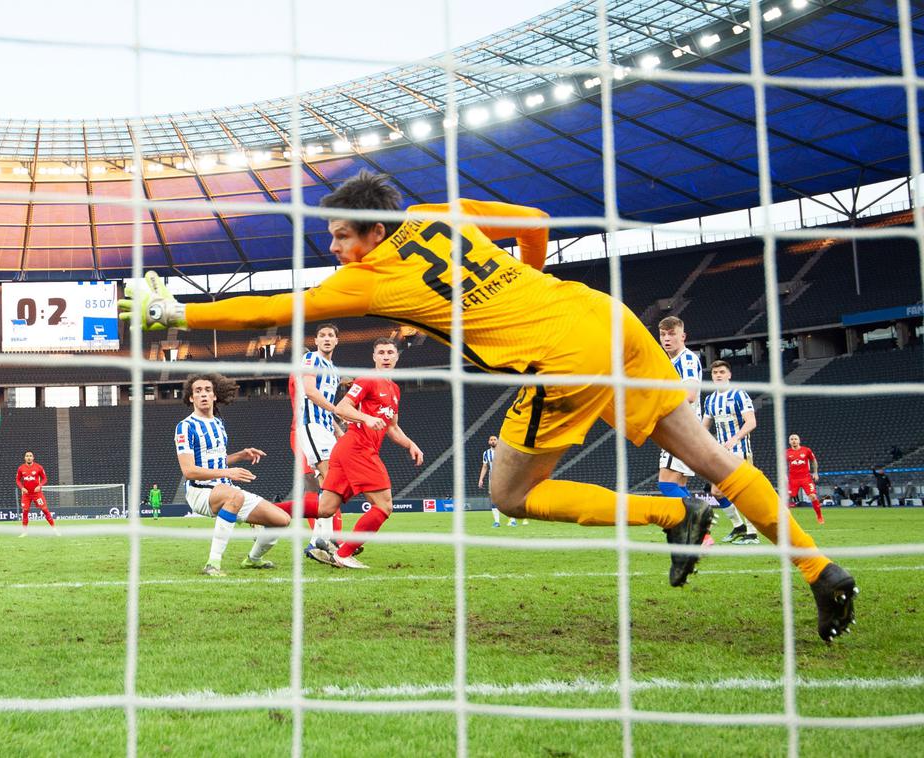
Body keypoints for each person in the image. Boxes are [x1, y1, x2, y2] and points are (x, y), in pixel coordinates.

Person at [120, 170, 856, 642]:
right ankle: (822, 572)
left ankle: (673, 513)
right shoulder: (438, 215)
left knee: (509, 492)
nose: (336, 246)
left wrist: (175, 315)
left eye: (342, 235)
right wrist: (517, 291)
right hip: (607, 318)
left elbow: (280, 307)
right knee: (717, 460)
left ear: (373, 232)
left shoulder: (370, 278)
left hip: (563, 358)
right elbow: (532, 219)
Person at [176, 373, 326, 576]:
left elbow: (216, 461)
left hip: (225, 489)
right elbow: (189, 470)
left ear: (215, 396)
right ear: (191, 398)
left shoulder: (218, 424)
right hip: (200, 492)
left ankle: (253, 560)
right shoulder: (185, 426)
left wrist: (240, 455)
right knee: (235, 495)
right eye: (198, 391)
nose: (203, 394)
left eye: (208, 390)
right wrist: (228, 472)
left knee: (281, 519)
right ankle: (213, 564)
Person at [302, 338, 424, 568]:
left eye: (390, 352)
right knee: (384, 506)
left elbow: (392, 427)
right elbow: (342, 408)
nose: (386, 356)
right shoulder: (368, 379)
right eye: (381, 352)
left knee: (325, 508)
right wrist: (366, 418)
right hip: (358, 448)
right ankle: (344, 553)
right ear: (374, 357)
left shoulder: (394, 390)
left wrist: (410, 444)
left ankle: (266, 513)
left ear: (397, 357)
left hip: (350, 449)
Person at [289, 323, 344, 552]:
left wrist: (338, 429)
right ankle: (324, 539)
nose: (327, 339)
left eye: (331, 335)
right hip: (310, 427)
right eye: (322, 335)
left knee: (329, 484)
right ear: (316, 340)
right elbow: (310, 391)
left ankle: (318, 540)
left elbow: (324, 406)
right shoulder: (311, 359)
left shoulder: (334, 371)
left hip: (325, 429)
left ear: (337, 340)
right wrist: (338, 410)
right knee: (330, 479)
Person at [701, 361, 761, 544]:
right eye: (715, 373)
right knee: (717, 491)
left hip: (740, 450)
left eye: (721, 372)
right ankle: (738, 526)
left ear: (729, 375)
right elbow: (704, 427)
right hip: (720, 452)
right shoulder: (710, 400)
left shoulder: (739, 395)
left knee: (743, 492)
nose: (718, 375)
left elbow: (751, 422)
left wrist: (736, 438)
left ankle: (752, 533)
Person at [656, 317, 701, 500]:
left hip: (682, 429)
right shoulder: (672, 362)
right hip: (687, 429)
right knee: (678, 485)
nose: (667, 338)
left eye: (672, 334)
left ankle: (698, 526)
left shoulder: (686, 360)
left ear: (683, 336)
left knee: (666, 484)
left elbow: (690, 395)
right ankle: (699, 529)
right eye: (663, 334)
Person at [479, 436, 519, 527]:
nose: (493, 441)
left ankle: (512, 520)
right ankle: (497, 522)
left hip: (505, 478)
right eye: (491, 440)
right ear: (488, 442)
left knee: (508, 498)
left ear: (498, 441)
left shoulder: (504, 451)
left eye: (494, 440)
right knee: (494, 500)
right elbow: (485, 467)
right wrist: (481, 479)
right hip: (493, 479)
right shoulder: (486, 453)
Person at [16, 451, 57, 536]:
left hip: (37, 494)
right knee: (25, 512)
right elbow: (17, 480)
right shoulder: (21, 468)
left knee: (45, 510)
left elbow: (45, 479)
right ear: (25, 458)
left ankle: (54, 529)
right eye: (27, 456)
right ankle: (24, 532)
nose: (29, 457)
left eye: (30, 456)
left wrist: (40, 485)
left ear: (33, 458)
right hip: (26, 495)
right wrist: (22, 488)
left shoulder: (39, 467)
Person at [787, 434, 824, 524]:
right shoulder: (786, 452)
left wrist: (815, 472)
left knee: (813, 496)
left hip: (805, 478)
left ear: (799, 441)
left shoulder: (806, 450)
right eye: (792, 439)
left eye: (795, 439)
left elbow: (813, 460)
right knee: (787, 499)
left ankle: (819, 516)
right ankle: (785, 520)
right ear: (789, 441)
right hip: (793, 479)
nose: (794, 441)